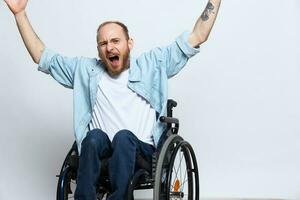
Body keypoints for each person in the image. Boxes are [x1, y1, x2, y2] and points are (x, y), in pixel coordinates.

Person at [4, 0, 221, 199]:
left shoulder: (153, 64)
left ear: (130, 43)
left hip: (141, 153)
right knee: (93, 137)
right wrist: (20, 14)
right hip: (104, 156)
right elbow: (42, 56)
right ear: (99, 50)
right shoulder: (85, 70)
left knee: (123, 137)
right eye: (103, 43)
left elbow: (197, 36)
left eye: (116, 40)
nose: (110, 47)